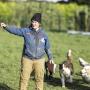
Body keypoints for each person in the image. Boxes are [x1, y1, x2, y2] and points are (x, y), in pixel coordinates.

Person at [0, 13, 53, 90]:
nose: (33, 23)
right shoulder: (26, 31)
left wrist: (50, 57)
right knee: (24, 79)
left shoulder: (44, 34)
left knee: (39, 79)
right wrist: (6, 27)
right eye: (33, 21)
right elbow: (15, 30)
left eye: (35, 22)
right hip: (27, 59)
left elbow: (47, 47)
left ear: (39, 23)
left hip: (40, 60)